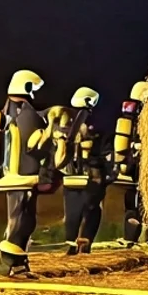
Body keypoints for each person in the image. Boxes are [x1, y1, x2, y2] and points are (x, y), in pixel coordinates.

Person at [0, 69, 51, 278]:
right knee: (22, 220)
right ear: (28, 87)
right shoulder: (28, 115)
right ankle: (6, 264)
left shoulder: (10, 112)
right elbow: (34, 146)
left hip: (10, 174)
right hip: (23, 175)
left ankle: (20, 265)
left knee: (21, 218)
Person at [56, 87, 104, 255]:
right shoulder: (88, 121)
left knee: (71, 211)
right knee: (92, 209)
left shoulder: (63, 119)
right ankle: (85, 241)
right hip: (90, 175)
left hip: (69, 176)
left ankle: (70, 243)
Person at [111, 81, 148, 248]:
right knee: (139, 203)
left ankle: (131, 237)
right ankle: (133, 238)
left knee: (132, 202)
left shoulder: (128, 114)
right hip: (141, 165)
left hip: (130, 166)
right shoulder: (146, 116)